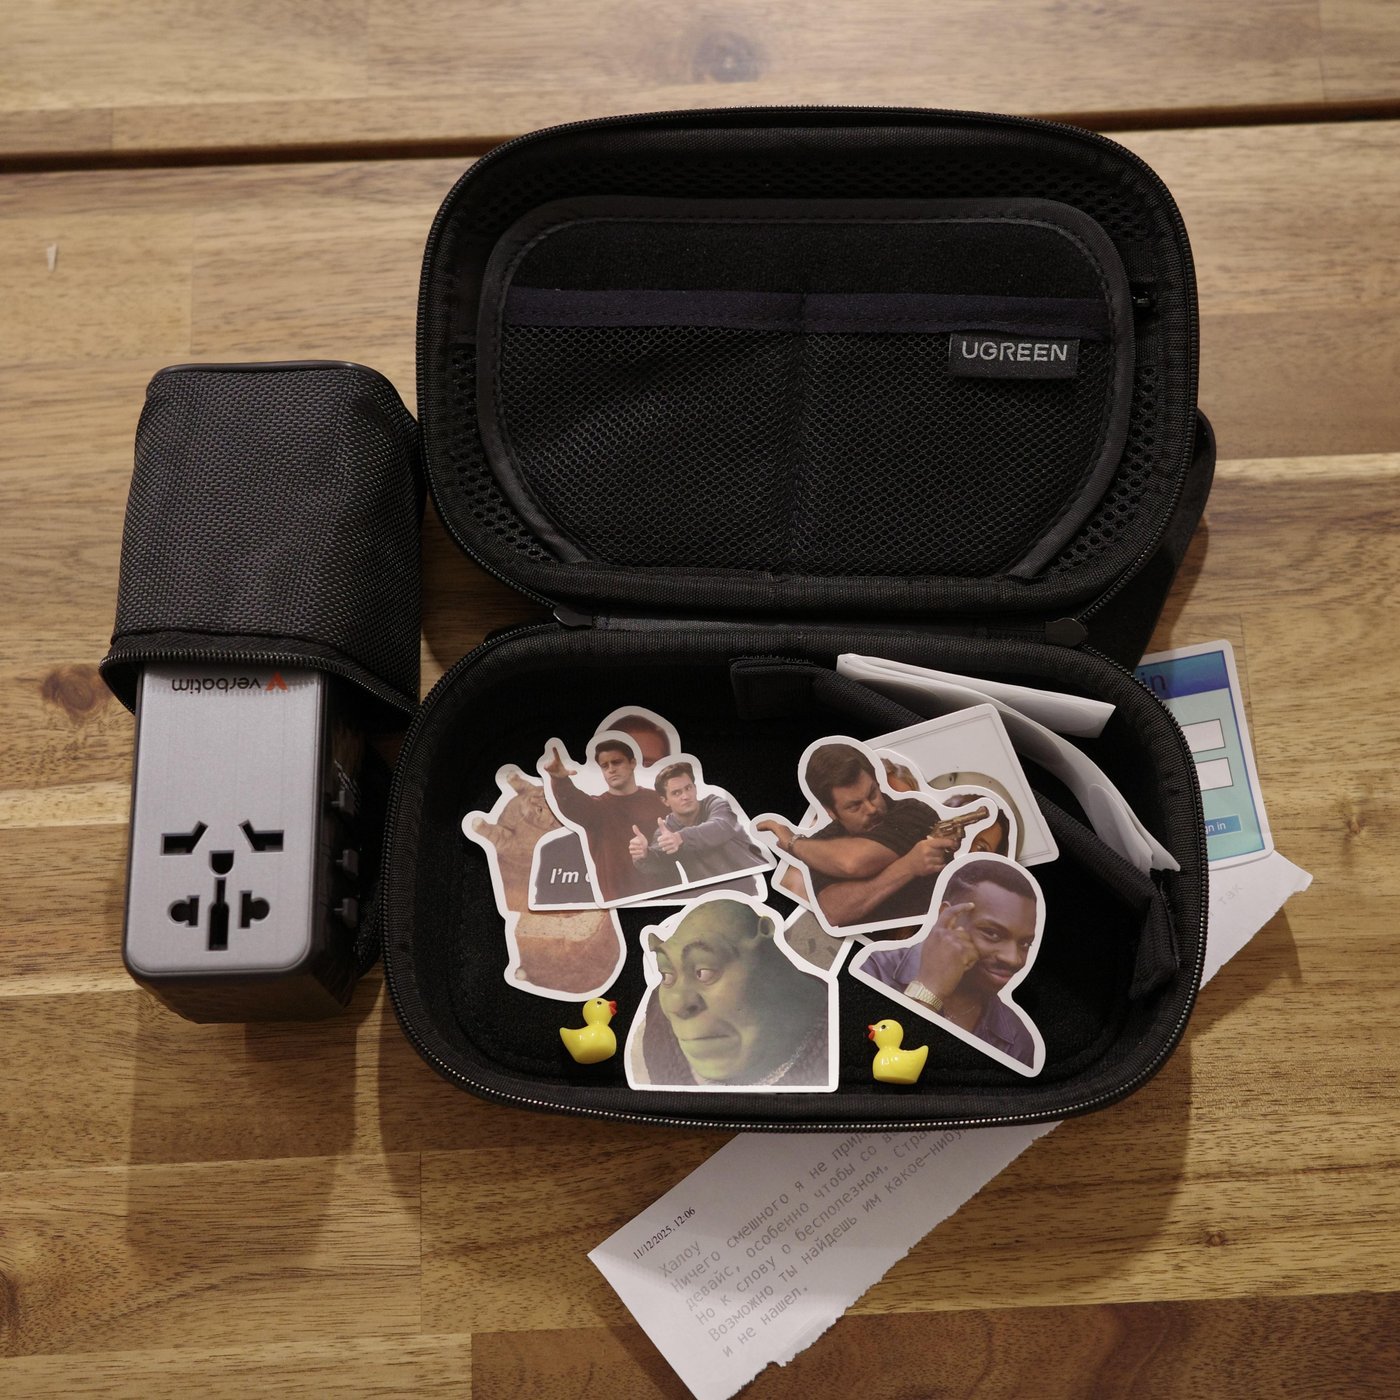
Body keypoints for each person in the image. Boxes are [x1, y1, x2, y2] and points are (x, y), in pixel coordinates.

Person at [855, 859, 1039, 1068]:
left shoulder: (1017, 1041)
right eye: (992, 933)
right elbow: (864, 1061)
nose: (1013, 958)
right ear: (947, 917)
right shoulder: (874, 971)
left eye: (1025, 943)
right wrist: (930, 990)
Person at [757, 742, 960, 929]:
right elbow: (834, 911)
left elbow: (853, 862)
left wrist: (794, 843)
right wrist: (908, 866)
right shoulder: (818, 844)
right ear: (831, 812)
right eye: (854, 806)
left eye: (872, 794)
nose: (871, 809)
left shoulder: (912, 811)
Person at [639, 899, 829, 1087]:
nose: (676, 1003)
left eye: (704, 972)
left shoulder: (831, 1038)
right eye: (667, 976)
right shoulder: (659, 1031)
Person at [542, 738, 668, 903]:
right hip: (620, 901)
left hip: (665, 894)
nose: (611, 769)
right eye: (605, 766)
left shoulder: (659, 800)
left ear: (632, 763)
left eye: (616, 762)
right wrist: (559, 779)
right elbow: (571, 802)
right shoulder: (595, 809)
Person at [628, 762, 767, 887]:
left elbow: (721, 826)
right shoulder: (666, 830)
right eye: (676, 793)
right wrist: (644, 854)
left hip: (758, 880)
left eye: (688, 788)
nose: (685, 796)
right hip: (712, 896)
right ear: (665, 800)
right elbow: (660, 861)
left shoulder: (715, 804)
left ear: (695, 788)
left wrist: (681, 838)